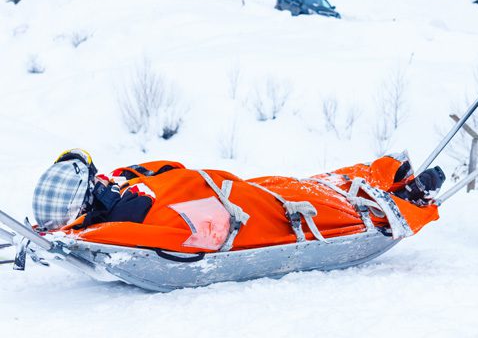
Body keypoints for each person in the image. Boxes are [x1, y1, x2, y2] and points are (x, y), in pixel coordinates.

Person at [31, 149, 445, 253]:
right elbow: (199, 235)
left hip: (252, 191)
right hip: (261, 209)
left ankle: (396, 181)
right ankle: (408, 193)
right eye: (96, 182)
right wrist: (74, 237)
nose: (105, 179)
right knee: (334, 202)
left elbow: (169, 168)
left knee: (325, 186)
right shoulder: (133, 221)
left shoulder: (127, 190)